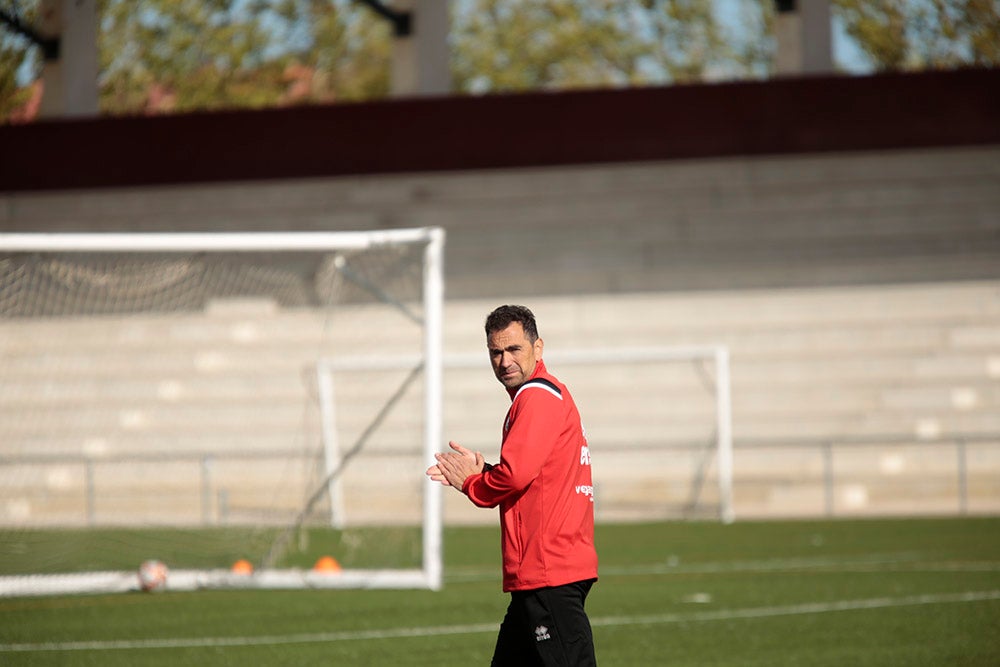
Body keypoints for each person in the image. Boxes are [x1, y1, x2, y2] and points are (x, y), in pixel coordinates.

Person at [427, 304, 598, 666]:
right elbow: (531, 476)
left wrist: (474, 482)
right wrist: (487, 470)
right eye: (495, 352)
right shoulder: (546, 395)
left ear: (538, 348)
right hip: (540, 575)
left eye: (514, 349)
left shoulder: (536, 396)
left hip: (549, 572)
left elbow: (516, 476)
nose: (504, 361)